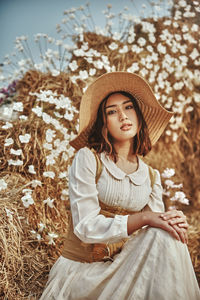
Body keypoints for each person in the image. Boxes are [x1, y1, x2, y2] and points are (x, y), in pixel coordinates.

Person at [40, 72, 200, 300]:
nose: (123, 116)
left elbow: (151, 240)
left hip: (124, 266)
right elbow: (85, 227)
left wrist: (171, 221)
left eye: (128, 108)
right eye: (112, 111)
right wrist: (146, 218)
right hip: (84, 273)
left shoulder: (151, 176)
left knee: (167, 235)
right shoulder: (88, 159)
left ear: (139, 115)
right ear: (103, 122)